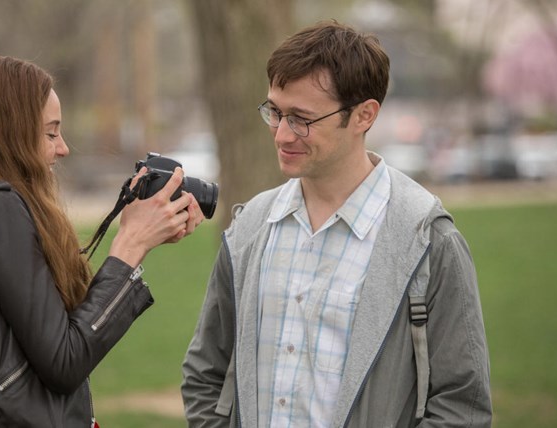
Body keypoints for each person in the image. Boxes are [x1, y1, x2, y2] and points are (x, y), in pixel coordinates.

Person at [181, 21, 492, 427]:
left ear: (364, 115)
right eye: (275, 112)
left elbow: (462, 406)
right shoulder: (250, 228)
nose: (281, 135)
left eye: (301, 118)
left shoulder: (429, 241)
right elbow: (205, 374)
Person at [0, 55, 204, 427]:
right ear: (4, 132)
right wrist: (130, 245)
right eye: (50, 132)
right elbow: (65, 362)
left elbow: (49, 336)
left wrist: (138, 231)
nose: (63, 148)